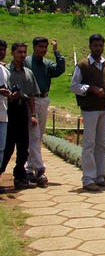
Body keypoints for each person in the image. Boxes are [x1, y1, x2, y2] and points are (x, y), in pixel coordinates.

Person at [70, 34, 105, 192]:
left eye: (100, 45)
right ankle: (88, 178)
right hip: (90, 108)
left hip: (104, 107)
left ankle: (100, 176)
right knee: (89, 143)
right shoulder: (82, 65)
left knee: (101, 144)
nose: (98, 48)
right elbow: (74, 86)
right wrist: (90, 88)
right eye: (95, 45)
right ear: (90, 46)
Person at [24, 37, 65, 187]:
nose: (43, 50)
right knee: (34, 135)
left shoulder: (46, 64)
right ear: (34, 47)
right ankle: (40, 169)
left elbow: (60, 70)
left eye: (45, 47)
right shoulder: (27, 62)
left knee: (38, 135)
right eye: (40, 47)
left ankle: (29, 168)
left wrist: (57, 53)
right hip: (31, 100)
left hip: (44, 99)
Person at [0, 42, 40, 189]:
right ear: (12, 53)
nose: (22, 55)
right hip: (9, 108)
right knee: (7, 145)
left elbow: (31, 96)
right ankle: (1, 171)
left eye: (24, 52)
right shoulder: (5, 70)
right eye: (19, 52)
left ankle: (20, 175)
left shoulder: (28, 73)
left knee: (24, 145)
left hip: (22, 108)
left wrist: (33, 114)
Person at [0, 40, 11, 193]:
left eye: (3, 49)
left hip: (3, 112)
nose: (1, 52)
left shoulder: (5, 70)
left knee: (1, 148)